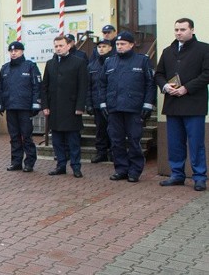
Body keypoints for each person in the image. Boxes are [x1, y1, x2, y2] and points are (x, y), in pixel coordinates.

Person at [154, 18, 209, 191]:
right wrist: (165, 86)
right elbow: (158, 74)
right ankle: (177, 174)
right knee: (175, 143)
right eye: (176, 29)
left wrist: (186, 88)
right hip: (173, 104)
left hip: (194, 104)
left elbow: (207, 74)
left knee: (196, 143)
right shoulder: (168, 51)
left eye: (182, 29)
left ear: (192, 30)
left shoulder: (204, 49)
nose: (178, 32)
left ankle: (199, 177)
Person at [100, 31, 155, 183]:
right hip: (114, 108)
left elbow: (150, 84)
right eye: (117, 44)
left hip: (134, 108)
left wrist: (148, 104)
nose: (119, 46)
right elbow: (102, 84)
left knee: (134, 140)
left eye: (123, 44)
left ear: (131, 45)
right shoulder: (109, 62)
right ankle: (121, 169)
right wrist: (103, 104)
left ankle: (135, 170)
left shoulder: (142, 61)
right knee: (116, 141)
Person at [41, 34, 89, 178]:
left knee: (73, 140)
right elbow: (44, 87)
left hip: (72, 108)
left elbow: (83, 87)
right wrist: (45, 105)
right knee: (57, 140)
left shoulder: (79, 62)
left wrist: (80, 106)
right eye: (56, 46)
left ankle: (76, 166)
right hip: (54, 108)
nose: (58, 48)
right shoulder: (50, 64)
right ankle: (60, 165)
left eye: (61, 45)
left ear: (68, 46)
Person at [0, 41, 41, 172]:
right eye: (11, 51)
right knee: (14, 136)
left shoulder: (30, 66)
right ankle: (16, 162)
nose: (13, 53)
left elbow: (36, 86)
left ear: (22, 52)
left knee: (26, 136)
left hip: (25, 108)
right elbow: (0, 88)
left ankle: (29, 162)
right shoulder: (5, 68)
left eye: (16, 51)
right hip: (11, 107)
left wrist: (36, 104)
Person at [86, 39, 114, 163]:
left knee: (113, 129)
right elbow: (88, 87)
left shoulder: (114, 62)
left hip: (112, 103)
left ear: (110, 48)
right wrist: (89, 103)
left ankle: (114, 153)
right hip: (97, 103)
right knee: (100, 129)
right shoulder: (92, 65)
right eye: (99, 47)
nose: (101, 49)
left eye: (104, 46)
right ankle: (101, 152)